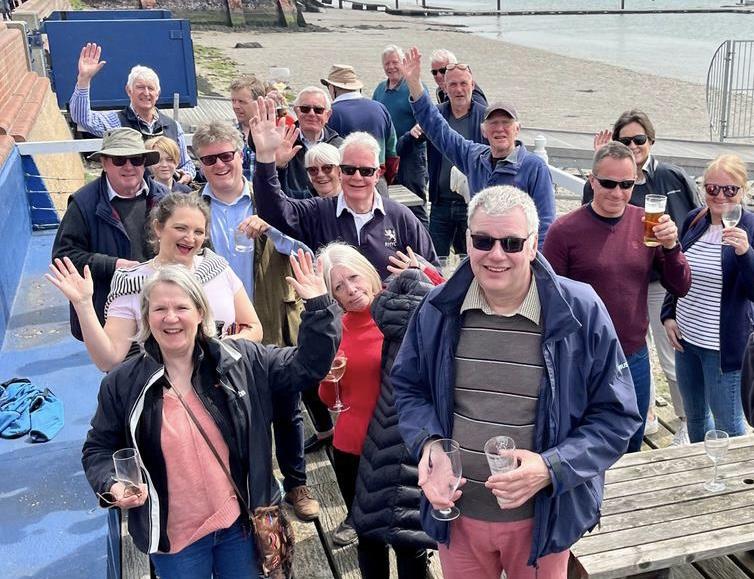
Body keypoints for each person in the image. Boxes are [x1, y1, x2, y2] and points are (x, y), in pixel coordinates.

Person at [392, 185, 641, 578]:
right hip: (456, 519)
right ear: (467, 241)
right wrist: (428, 443)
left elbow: (618, 419)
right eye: (483, 240)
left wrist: (550, 467)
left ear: (532, 244)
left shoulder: (581, 309)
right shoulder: (437, 308)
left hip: (543, 521)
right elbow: (407, 388)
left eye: (511, 242)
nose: (496, 254)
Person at [81, 256, 340, 579]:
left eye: (182, 307)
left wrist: (318, 307)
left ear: (201, 312)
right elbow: (98, 449)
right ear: (146, 317)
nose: (171, 318)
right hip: (176, 541)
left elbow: (307, 366)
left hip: (240, 526)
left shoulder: (241, 361)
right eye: (159, 309)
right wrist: (113, 484)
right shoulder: (122, 384)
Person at [192, 120, 322, 520]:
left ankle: (297, 484)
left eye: (226, 155)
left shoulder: (270, 198)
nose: (219, 165)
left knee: (287, 407)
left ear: (240, 155)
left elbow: (308, 253)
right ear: (199, 163)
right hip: (218, 331)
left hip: (273, 316)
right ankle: (244, 491)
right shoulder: (194, 208)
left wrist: (273, 229)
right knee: (229, 412)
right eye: (209, 159)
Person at [543, 142, 691, 452]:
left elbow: (680, 286)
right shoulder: (564, 231)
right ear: (591, 180)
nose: (617, 192)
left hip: (632, 354)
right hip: (583, 356)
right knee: (584, 441)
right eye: (608, 183)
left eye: (626, 184)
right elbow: (549, 300)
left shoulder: (646, 224)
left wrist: (672, 246)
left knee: (632, 438)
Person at [583, 109, 702, 446]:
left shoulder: (671, 177)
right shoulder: (613, 177)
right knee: (634, 350)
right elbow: (590, 212)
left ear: (651, 141)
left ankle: (686, 420)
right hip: (624, 279)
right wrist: (600, 164)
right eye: (625, 140)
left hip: (661, 281)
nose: (633, 145)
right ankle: (644, 413)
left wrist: (678, 250)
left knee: (669, 350)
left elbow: (694, 220)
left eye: (639, 139)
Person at [316, 243, 436, 576]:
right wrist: (326, 377)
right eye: (338, 286)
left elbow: (448, 311)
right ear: (332, 294)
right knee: (368, 538)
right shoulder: (333, 329)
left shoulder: (403, 310)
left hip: (401, 445)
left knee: (409, 542)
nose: (351, 290)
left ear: (368, 273)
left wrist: (426, 272)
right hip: (352, 447)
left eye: (353, 278)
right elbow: (328, 399)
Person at [46, 192, 263, 371]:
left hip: (227, 385)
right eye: (180, 228)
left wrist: (221, 349)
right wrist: (83, 306)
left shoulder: (217, 268)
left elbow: (254, 328)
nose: (190, 238)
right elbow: (109, 359)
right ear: (158, 228)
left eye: (198, 231)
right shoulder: (133, 283)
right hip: (167, 399)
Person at [250, 96, 439, 279]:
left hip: (388, 310)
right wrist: (265, 157)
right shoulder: (319, 211)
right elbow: (272, 210)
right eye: (349, 169)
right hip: (335, 311)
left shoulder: (400, 217)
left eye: (366, 171)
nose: (357, 177)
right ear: (340, 173)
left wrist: (417, 272)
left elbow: (435, 273)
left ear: (377, 175)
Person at [402, 47, 555, 247]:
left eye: (506, 123)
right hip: (482, 251)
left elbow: (545, 223)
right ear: (484, 130)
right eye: (493, 123)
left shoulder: (534, 167)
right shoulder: (474, 158)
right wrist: (414, 82)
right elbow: (437, 128)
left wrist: (535, 264)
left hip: (517, 256)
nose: (499, 129)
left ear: (517, 129)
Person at [662, 154, 754, 443]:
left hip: (721, 347)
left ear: (744, 190)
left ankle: (736, 482)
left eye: (730, 190)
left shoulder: (750, 228)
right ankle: (701, 474)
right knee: (696, 417)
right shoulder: (695, 219)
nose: (720, 196)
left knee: (729, 425)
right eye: (712, 188)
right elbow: (678, 270)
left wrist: (745, 254)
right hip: (686, 340)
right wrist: (668, 315)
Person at [52, 127, 168, 341]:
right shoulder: (83, 204)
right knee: (120, 372)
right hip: (111, 319)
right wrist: (113, 266)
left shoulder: (165, 198)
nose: (129, 167)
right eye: (119, 160)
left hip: (160, 313)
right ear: (104, 163)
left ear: (144, 163)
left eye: (135, 159)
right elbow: (63, 257)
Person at [69, 43, 195, 181]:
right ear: (129, 91)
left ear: (158, 94)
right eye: (140, 87)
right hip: (130, 196)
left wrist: (187, 175)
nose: (146, 93)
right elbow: (81, 118)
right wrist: (84, 79)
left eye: (150, 88)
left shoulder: (173, 126)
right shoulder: (115, 122)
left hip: (165, 197)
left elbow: (186, 163)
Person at [422, 61, 487, 257]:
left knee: (470, 260)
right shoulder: (437, 115)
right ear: (445, 87)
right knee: (433, 259)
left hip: (472, 204)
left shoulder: (485, 116)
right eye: (453, 85)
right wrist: (413, 135)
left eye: (463, 84)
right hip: (440, 204)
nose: (459, 90)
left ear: (472, 85)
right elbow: (403, 147)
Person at [372, 44, 429, 227]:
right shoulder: (380, 89)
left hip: (411, 154)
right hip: (387, 155)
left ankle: (424, 245)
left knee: (415, 203)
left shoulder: (413, 86)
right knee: (389, 202)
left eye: (395, 62)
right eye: (387, 64)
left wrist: (416, 130)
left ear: (403, 62)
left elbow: (427, 115)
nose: (391, 67)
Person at [321, 64, 399, 192]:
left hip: (346, 186)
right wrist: (383, 178)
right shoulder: (380, 108)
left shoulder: (329, 113)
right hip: (378, 181)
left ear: (333, 87)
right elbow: (392, 153)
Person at [230, 75, 267, 181]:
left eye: (241, 102)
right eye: (233, 101)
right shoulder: (227, 134)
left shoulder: (271, 135)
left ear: (259, 103)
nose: (236, 106)